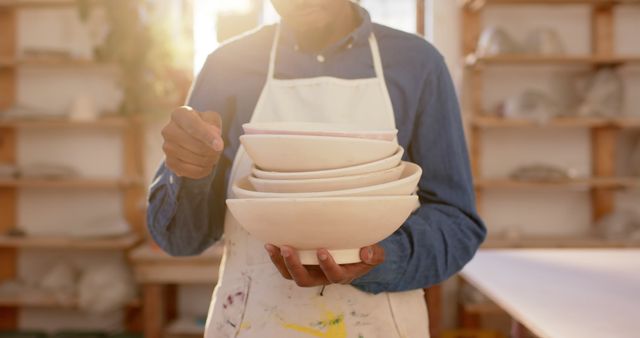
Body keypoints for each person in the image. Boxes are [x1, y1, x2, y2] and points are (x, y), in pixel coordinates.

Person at [148, 0, 486, 337]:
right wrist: (189, 173)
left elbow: (457, 225)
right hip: (253, 324)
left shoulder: (418, 64)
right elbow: (180, 240)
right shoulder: (227, 66)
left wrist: (377, 259)